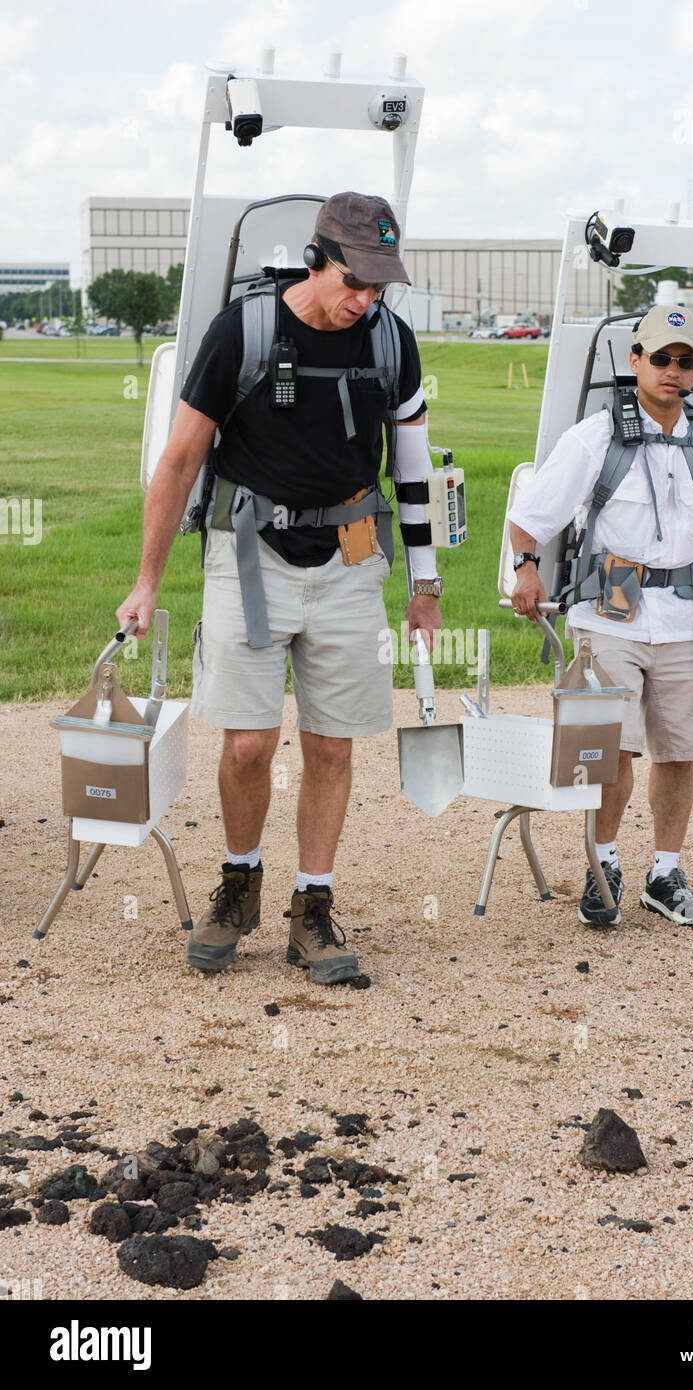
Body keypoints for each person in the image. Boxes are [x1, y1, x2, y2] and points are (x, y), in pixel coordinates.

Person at [117, 192, 444, 980]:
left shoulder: (391, 342)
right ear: (315, 259)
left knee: (332, 743)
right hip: (250, 555)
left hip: (351, 554)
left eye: (378, 285)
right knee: (250, 741)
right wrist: (146, 582)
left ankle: (313, 906)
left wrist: (425, 581)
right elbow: (179, 461)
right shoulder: (245, 331)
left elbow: (410, 464)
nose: (364, 298)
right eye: (353, 281)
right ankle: (239, 881)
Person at [507, 304, 693, 928]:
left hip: (684, 616)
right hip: (608, 613)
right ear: (635, 361)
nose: (674, 373)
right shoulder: (594, 437)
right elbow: (531, 515)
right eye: (662, 359)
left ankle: (664, 873)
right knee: (610, 750)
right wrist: (523, 569)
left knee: (680, 751)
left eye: (687, 363)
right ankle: (605, 866)